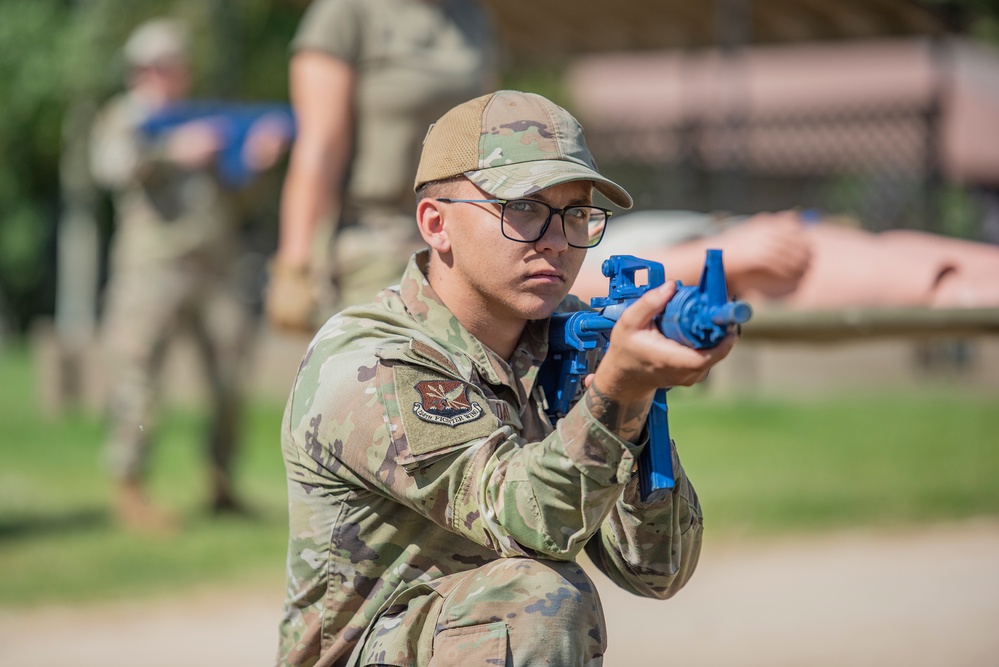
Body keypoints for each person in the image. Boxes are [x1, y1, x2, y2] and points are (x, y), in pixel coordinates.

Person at [276, 90, 736, 667]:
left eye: (576, 214)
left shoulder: (560, 339)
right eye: (522, 208)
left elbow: (656, 568)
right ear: (436, 223)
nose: (557, 239)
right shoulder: (373, 363)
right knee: (536, 599)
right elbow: (527, 519)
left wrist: (637, 407)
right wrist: (617, 392)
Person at [90, 18, 288, 530]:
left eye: (174, 66)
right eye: (157, 67)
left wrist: (257, 162)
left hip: (215, 268)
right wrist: (170, 151)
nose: (166, 75)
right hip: (150, 269)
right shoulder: (125, 119)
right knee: (137, 378)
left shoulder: (208, 118)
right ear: (140, 70)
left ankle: (221, 484)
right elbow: (109, 169)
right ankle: (129, 489)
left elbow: (239, 198)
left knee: (230, 376)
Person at [264, 0, 498, 333]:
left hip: (458, 235)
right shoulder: (347, 13)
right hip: (375, 239)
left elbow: (488, 133)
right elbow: (319, 147)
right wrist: (294, 263)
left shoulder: (470, 16)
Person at [573, 208, 999, 310]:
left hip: (743, 240)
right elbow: (588, 288)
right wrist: (731, 252)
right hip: (753, 271)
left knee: (904, 248)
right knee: (941, 285)